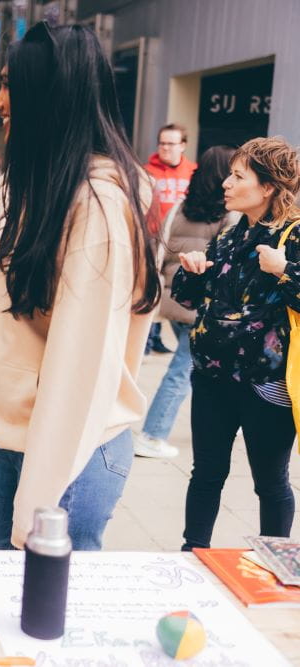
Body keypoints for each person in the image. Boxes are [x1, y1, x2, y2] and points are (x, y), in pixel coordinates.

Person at [0, 22, 160, 551]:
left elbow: (81, 371)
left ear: (50, 98)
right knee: (5, 610)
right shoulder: (40, 187)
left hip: (68, 454)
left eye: (12, 87)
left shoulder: (96, 207)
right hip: (27, 442)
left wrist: (34, 507)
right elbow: (20, 335)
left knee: (36, 618)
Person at [171, 136, 300, 551]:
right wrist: (190, 271)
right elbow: (188, 299)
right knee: (206, 472)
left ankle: (277, 560)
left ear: (267, 188)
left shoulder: (292, 237)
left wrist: (285, 271)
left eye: (238, 175)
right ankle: (193, 553)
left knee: (270, 482)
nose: (226, 182)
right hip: (212, 377)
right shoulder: (229, 235)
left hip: (266, 383)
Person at [133, 146, 237, 459]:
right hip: (200, 305)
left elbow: (159, 250)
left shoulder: (180, 205)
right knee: (183, 369)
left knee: (201, 367)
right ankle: (152, 434)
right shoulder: (229, 215)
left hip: (172, 297)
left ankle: (220, 426)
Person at [145, 123, 198, 354]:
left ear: (183, 145)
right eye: (162, 143)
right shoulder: (147, 171)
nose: (165, 148)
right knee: (149, 290)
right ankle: (147, 340)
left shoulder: (193, 172)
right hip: (151, 239)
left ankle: (156, 338)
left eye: (171, 143)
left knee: (172, 291)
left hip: (178, 242)